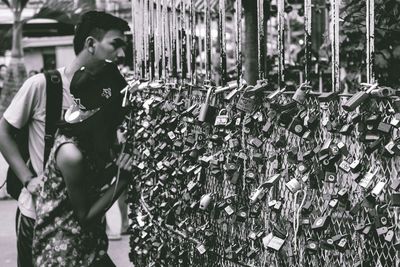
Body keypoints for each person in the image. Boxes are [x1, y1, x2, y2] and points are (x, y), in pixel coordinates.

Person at [0, 11, 129, 267]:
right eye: (116, 44)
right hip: (39, 217)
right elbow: (3, 131)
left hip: (85, 218)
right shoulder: (42, 85)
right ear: (91, 44)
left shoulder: (109, 90)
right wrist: (28, 179)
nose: (122, 54)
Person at [33, 60, 132, 267]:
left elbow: (90, 183)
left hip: (86, 247)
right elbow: (84, 216)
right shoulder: (71, 153)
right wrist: (122, 179)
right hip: (65, 253)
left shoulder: (86, 137)